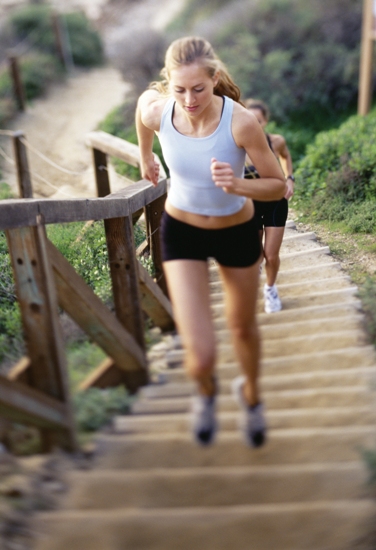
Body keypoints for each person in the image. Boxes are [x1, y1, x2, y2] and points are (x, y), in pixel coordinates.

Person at [136, 37, 285, 447]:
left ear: (214, 79)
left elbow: (277, 187)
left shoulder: (240, 123)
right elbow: (142, 107)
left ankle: (252, 398)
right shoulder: (159, 111)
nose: (188, 99)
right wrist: (144, 154)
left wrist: (238, 184)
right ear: (169, 84)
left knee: (242, 328)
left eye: (198, 89)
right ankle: (206, 395)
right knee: (199, 354)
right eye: (179, 89)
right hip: (181, 231)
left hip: (236, 231)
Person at [244, 98, 294, 314]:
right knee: (255, 255)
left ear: (264, 121)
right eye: (250, 118)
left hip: (275, 202)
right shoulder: (238, 145)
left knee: (271, 255)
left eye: (259, 119)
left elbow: (285, 156)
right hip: (249, 204)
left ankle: (270, 289)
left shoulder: (276, 141)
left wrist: (290, 178)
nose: (254, 122)